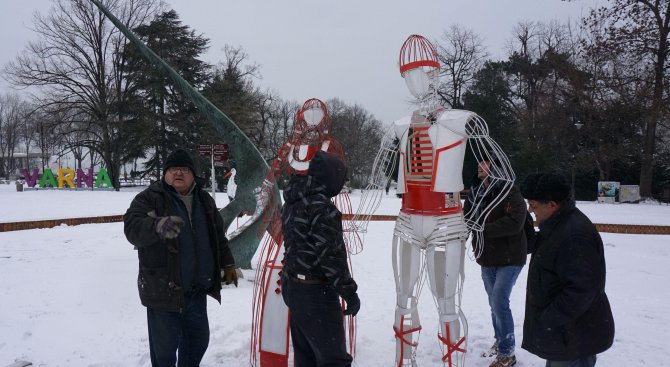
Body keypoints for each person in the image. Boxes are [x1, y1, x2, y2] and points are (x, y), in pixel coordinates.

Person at [123, 148, 239, 367]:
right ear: (165, 173)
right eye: (173, 169)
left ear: (193, 174)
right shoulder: (149, 198)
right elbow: (131, 228)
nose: (179, 173)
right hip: (163, 291)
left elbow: (217, 236)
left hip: (196, 291)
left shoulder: (204, 200)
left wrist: (228, 263)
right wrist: (157, 226)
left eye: (184, 169)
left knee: (197, 343)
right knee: (164, 353)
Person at [520, 172, 615, 367]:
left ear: (552, 204)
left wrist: (548, 319)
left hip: (574, 335)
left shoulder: (574, 235)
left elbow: (581, 290)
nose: (530, 209)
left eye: (534, 205)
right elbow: (538, 248)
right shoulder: (557, 225)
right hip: (563, 334)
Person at [280, 150, 360, 367]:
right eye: (341, 179)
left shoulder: (294, 200)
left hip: (294, 288)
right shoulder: (321, 207)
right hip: (316, 293)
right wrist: (349, 293)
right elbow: (331, 257)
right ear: (330, 177)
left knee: (306, 356)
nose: (342, 185)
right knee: (334, 360)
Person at [464, 160, 528, 367]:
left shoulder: (510, 192)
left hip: (510, 256)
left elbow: (515, 222)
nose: (479, 167)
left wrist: (482, 228)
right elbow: (467, 219)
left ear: (496, 169)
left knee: (500, 301)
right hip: (487, 256)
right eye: (479, 163)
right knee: (494, 303)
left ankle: (507, 353)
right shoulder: (475, 192)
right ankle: (501, 342)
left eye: (485, 164)